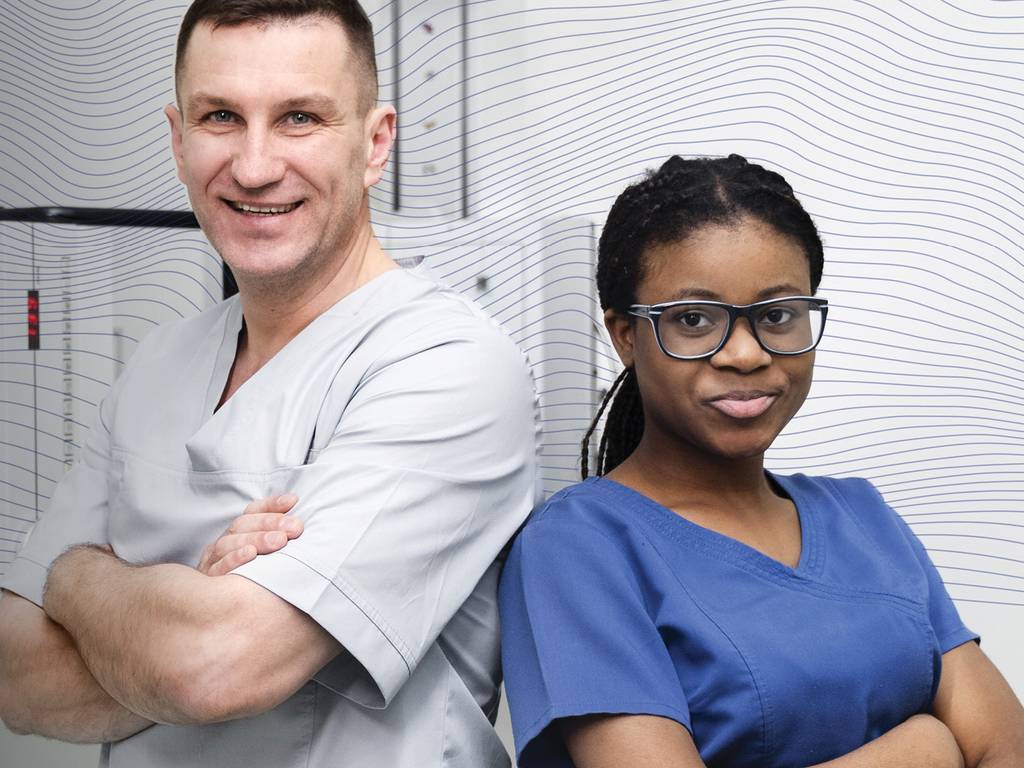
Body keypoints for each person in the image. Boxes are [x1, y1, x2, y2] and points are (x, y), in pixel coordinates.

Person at [0, 2, 539, 766]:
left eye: (299, 118)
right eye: (221, 116)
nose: (253, 167)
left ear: (375, 142)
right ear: (179, 138)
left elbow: (213, 665)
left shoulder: (448, 363)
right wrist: (187, 591)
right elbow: (16, 676)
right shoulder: (156, 364)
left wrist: (75, 575)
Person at [498, 154, 1024, 768]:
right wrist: (925, 749)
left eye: (776, 315)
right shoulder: (578, 547)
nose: (746, 354)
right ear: (625, 337)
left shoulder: (862, 516)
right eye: (694, 320)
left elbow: (1006, 746)